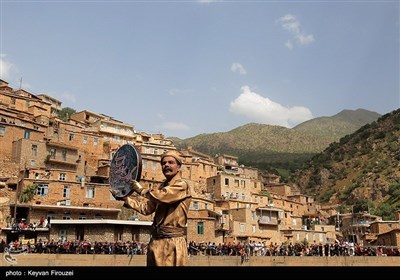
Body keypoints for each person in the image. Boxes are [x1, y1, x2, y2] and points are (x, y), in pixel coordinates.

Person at [111, 150, 192, 266]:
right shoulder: (161, 187)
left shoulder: (182, 185)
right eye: (164, 163)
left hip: (173, 242)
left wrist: (141, 190)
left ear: (178, 166)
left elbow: (162, 196)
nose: (166, 165)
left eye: (170, 162)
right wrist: (125, 199)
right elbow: (146, 208)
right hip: (156, 241)